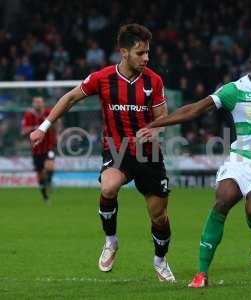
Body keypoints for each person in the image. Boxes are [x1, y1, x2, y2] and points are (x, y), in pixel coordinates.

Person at [138, 41, 251, 288]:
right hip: (240, 161)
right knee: (223, 200)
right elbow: (195, 110)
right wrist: (156, 125)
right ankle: (201, 273)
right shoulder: (233, 91)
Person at [30, 23, 175, 282]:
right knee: (108, 188)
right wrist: (44, 127)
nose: (146, 58)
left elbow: (162, 117)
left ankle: (160, 261)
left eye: (147, 53)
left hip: (148, 155)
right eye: (140, 53)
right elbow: (71, 98)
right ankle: (111, 241)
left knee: (159, 216)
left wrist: (155, 130)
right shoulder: (103, 78)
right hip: (116, 150)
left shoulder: (154, 80)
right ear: (124, 52)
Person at [21, 96, 56, 203]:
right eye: (36, 102)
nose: (38, 104)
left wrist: (53, 130)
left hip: (49, 146)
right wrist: (35, 128)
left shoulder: (49, 112)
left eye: (40, 102)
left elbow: (56, 124)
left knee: (50, 166)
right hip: (36, 149)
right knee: (40, 175)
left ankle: (49, 182)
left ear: (43, 103)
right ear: (33, 104)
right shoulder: (28, 115)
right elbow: (23, 132)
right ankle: (45, 197)